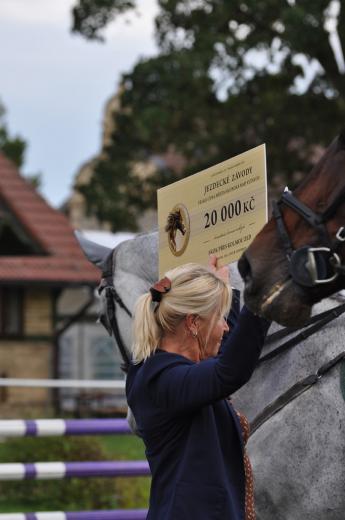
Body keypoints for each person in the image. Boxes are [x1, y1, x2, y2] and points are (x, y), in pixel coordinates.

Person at [126, 256, 270, 519]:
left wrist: (231, 294)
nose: (226, 327)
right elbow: (228, 371)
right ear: (193, 323)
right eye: (219, 318)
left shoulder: (171, 374)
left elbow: (224, 357)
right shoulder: (157, 379)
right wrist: (265, 293)